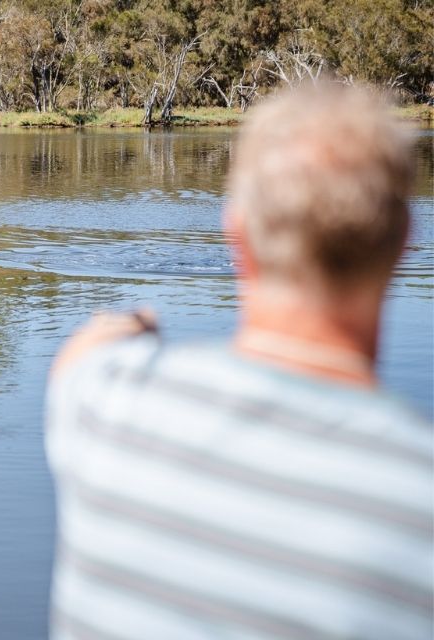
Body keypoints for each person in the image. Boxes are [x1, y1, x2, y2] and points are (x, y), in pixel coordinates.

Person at [46, 84, 433, 639]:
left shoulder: (104, 404)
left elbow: (83, 352)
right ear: (401, 245)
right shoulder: (421, 496)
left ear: (236, 235)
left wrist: (135, 324)